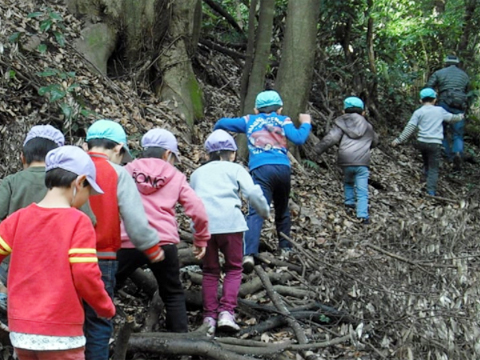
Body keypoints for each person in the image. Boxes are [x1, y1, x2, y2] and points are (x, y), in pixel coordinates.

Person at [0, 145, 115, 360]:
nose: (87, 198)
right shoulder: (78, 222)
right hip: (61, 332)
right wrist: (104, 306)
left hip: (22, 331)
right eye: (89, 191)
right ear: (79, 183)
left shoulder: (19, 218)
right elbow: (85, 274)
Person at [116, 128, 210, 333]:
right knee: (173, 292)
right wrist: (201, 238)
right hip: (163, 243)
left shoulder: (126, 170)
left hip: (128, 239)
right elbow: (198, 209)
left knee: (109, 285)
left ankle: (97, 330)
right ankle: (181, 341)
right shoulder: (175, 176)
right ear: (168, 154)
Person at [84, 119, 164, 360]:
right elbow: (135, 220)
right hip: (102, 256)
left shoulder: (69, 168)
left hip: (64, 255)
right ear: (118, 149)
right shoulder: (117, 173)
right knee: (98, 320)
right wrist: (151, 248)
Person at [214, 90, 311, 273]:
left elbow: (222, 123)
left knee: (255, 211)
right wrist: (306, 123)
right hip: (283, 168)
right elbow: (299, 138)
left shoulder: (250, 120)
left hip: (261, 169)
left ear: (256, 109)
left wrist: (217, 138)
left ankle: (249, 253)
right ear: (280, 109)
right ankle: (286, 249)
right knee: (282, 210)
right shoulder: (284, 120)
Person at [0, 125, 95, 310]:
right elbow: (90, 221)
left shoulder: (11, 182)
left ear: (22, 157)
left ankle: (4, 295)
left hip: (14, 265)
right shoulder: (69, 186)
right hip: (58, 266)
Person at [190, 130, 269, 333]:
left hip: (204, 227)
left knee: (209, 271)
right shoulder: (236, 169)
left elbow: (191, 201)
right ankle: (227, 312)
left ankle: (209, 318)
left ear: (208, 154)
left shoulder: (197, 173)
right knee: (234, 268)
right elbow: (252, 192)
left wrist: (194, 229)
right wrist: (264, 211)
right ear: (232, 153)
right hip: (231, 225)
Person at [315, 97, 378, 224]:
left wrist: (316, 151)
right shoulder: (368, 127)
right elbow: (375, 141)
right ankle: (362, 215)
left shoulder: (341, 124)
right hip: (362, 162)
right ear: (363, 113)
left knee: (348, 182)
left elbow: (331, 139)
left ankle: (349, 203)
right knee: (362, 189)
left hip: (345, 160)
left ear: (344, 111)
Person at [391, 88, 464, 196]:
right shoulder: (439, 110)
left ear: (421, 100)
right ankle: (430, 192)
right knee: (434, 168)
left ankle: (424, 180)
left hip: (422, 143)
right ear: (435, 100)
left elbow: (410, 128)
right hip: (435, 144)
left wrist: (398, 140)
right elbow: (452, 118)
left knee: (426, 162)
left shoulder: (418, 112)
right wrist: (461, 116)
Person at [425, 55, 470, 170]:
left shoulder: (439, 73)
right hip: (460, 104)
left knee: (442, 131)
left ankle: (449, 156)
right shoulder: (464, 75)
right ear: (457, 63)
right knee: (458, 133)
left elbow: (429, 87)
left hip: (444, 102)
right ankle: (458, 153)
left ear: (446, 63)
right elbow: (467, 92)